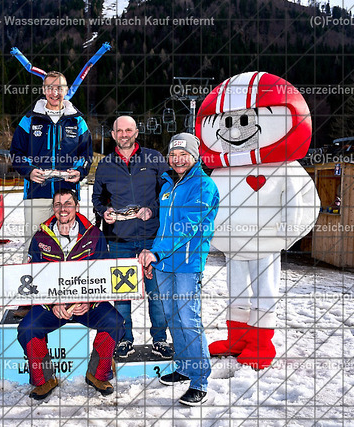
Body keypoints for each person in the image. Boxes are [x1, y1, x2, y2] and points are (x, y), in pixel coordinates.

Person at [17, 189, 124, 400]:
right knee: (27, 329)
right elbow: (33, 277)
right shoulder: (40, 237)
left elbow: (103, 274)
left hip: (86, 303)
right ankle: (44, 379)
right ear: (53, 208)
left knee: (115, 323)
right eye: (58, 204)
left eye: (68, 203)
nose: (63, 208)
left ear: (77, 206)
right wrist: (52, 304)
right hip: (52, 305)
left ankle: (97, 375)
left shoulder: (94, 235)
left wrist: (89, 301)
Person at [138, 133, 219, 407]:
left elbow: (187, 226)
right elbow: (164, 228)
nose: (178, 159)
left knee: (188, 319)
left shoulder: (203, 186)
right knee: (172, 316)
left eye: (184, 154)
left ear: (195, 156)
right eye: (173, 154)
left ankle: (200, 381)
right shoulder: (168, 185)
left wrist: (157, 252)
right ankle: (184, 366)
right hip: (164, 264)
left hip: (187, 264)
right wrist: (155, 258)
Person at [92, 115, 171, 359]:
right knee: (122, 294)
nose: (124, 135)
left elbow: (168, 192)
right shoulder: (105, 164)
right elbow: (97, 198)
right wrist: (104, 212)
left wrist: (153, 210)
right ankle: (124, 339)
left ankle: (160, 339)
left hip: (152, 239)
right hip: (119, 240)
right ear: (113, 134)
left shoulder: (154, 158)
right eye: (119, 131)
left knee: (156, 294)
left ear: (136, 132)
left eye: (129, 130)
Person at [9, 71, 93, 236]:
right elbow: (16, 153)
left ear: (66, 90)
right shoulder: (29, 119)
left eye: (59, 88)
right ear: (43, 90)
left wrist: (79, 171)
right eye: (50, 88)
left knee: (68, 243)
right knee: (34, 242)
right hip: (37, 194)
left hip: (68, 194)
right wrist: (29, 171)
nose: (55, 93)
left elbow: (86, 155)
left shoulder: (77, 121)